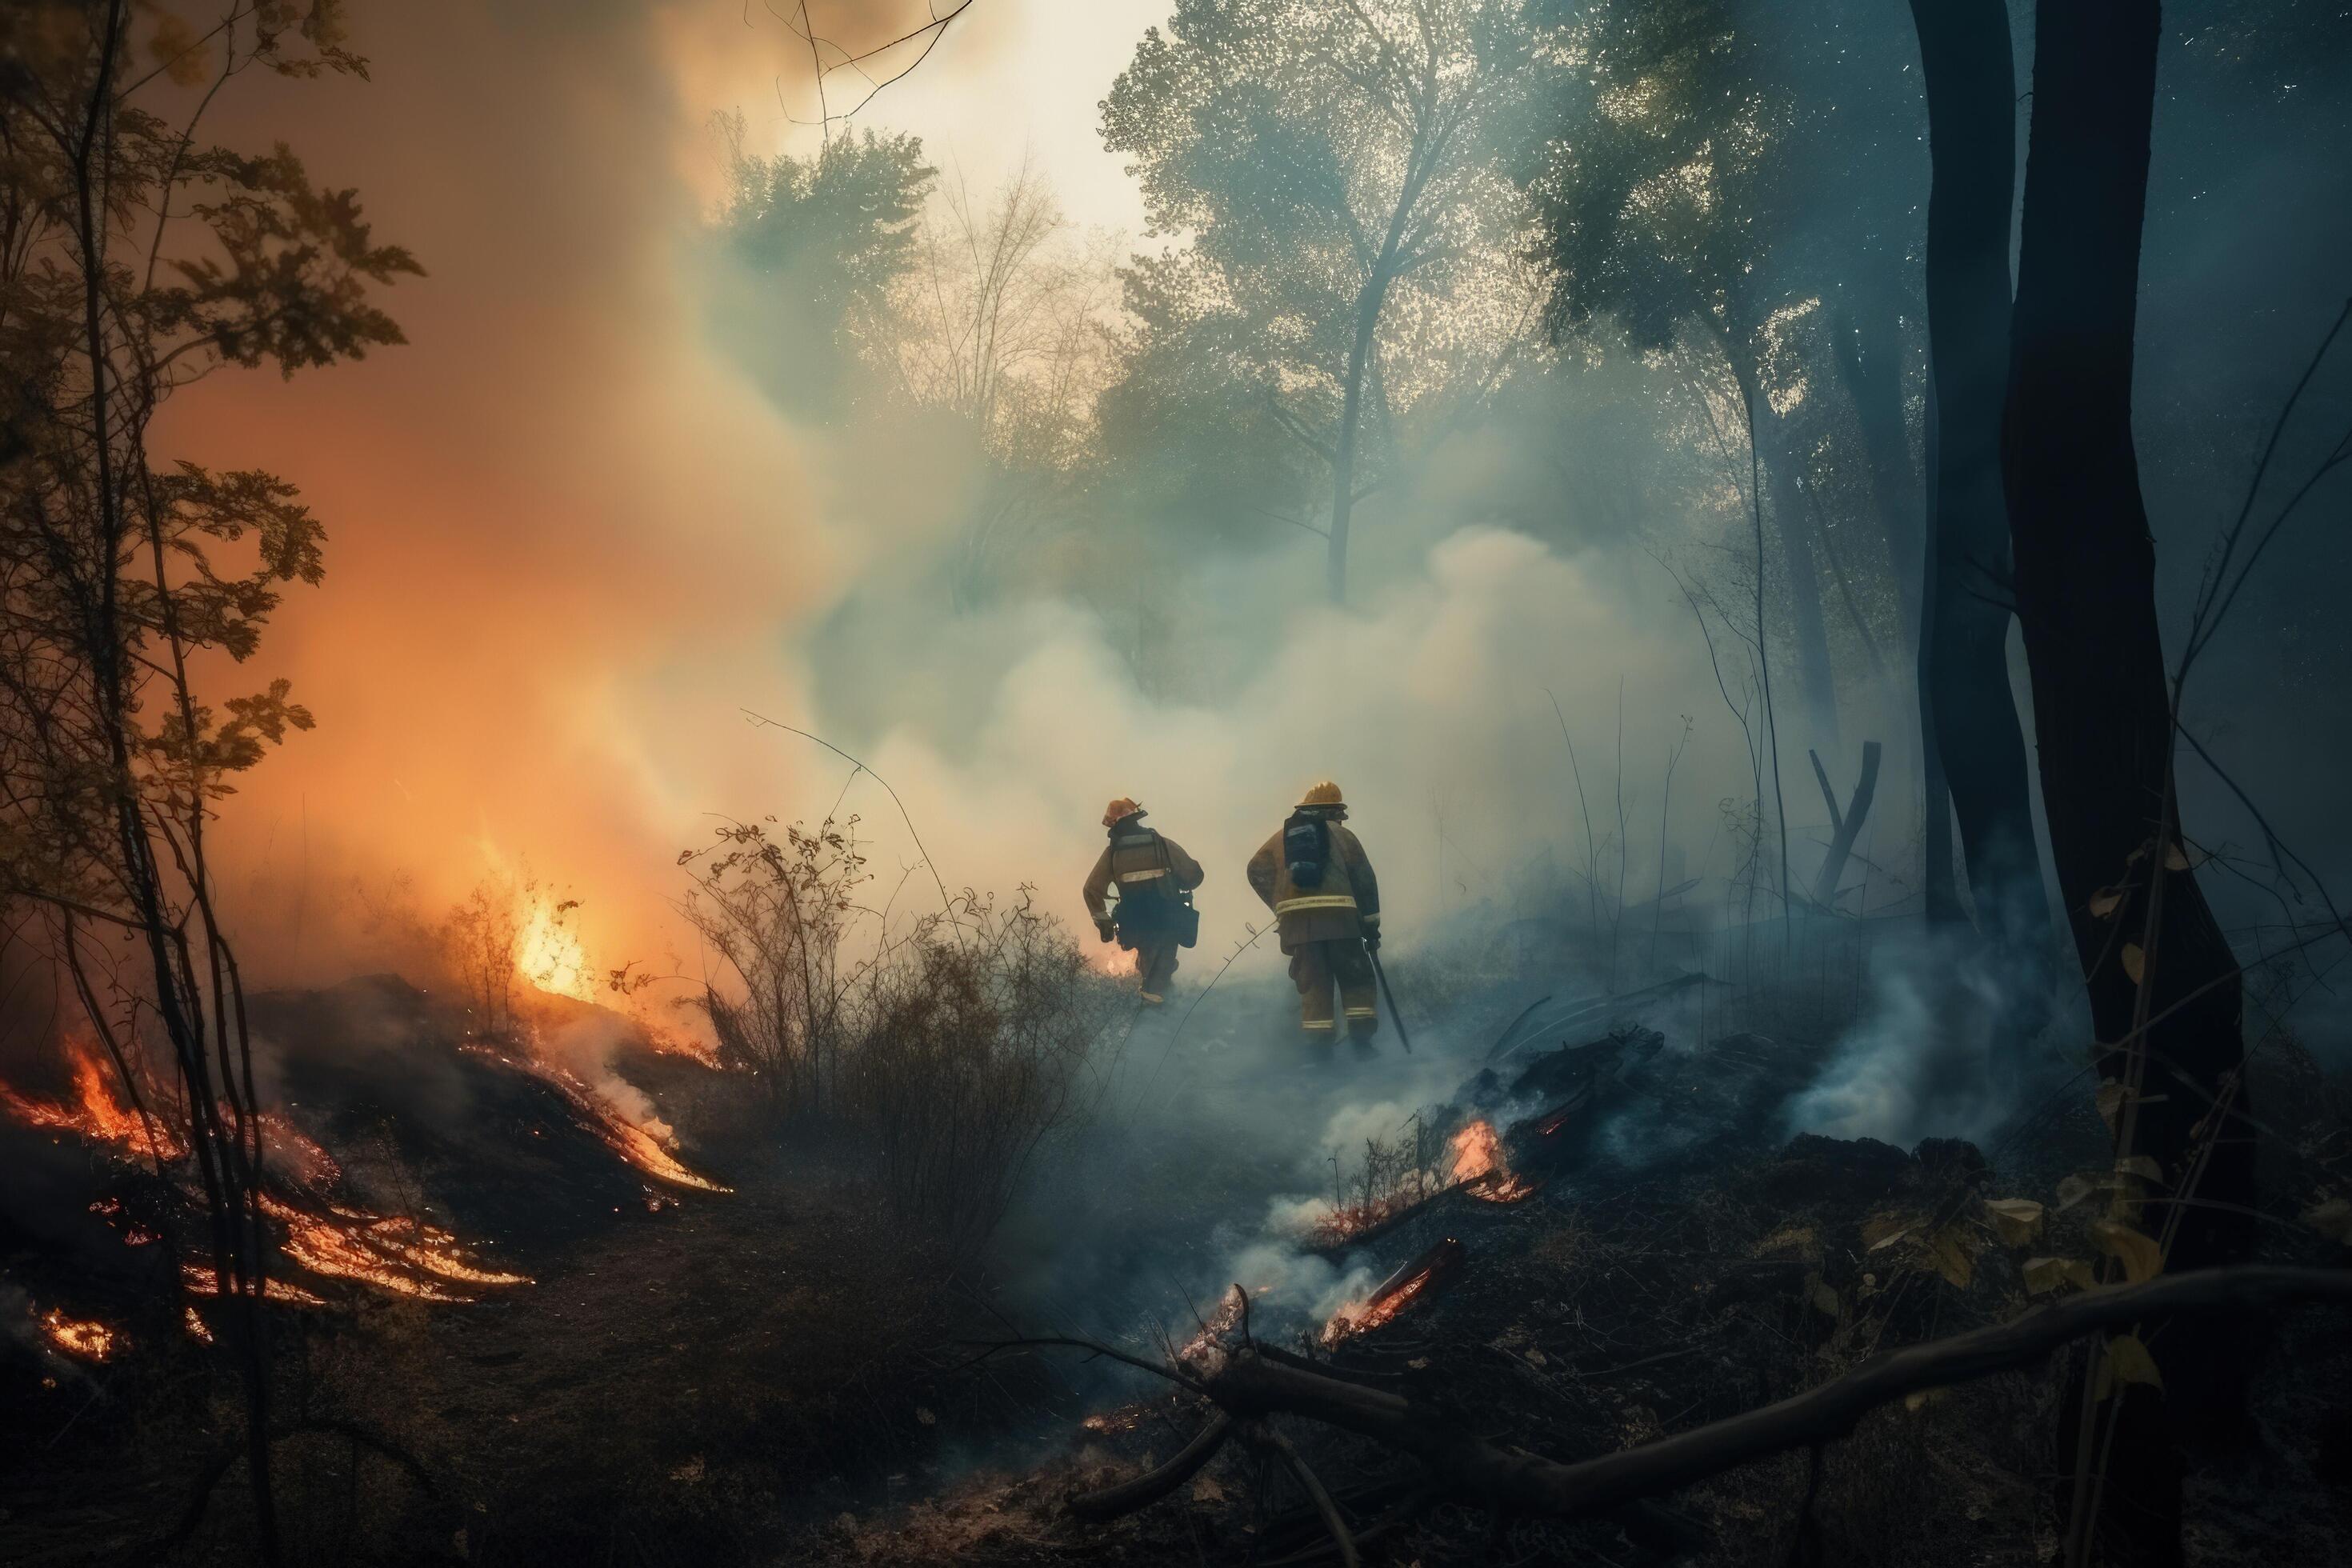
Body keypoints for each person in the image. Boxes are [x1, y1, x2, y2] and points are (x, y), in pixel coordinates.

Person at [1246, 780, 1382, 1046]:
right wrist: (1371, 927)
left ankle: (1320, 1054)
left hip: (1299, 926)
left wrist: (1280, 903)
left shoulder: (1281, 838)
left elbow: (1255, 869)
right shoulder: (1344, 836)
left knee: (1314, 985)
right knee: (1356, 978)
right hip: (1342, 922)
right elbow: (1365, 880)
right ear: (1333, 812)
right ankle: (1363, 1047)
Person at [1081, 798, 1204, 1005]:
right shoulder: (1162, 844)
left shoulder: (1113, 853)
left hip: (1136, 923)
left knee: (1149, 965)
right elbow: (1193, 875)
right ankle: (1157, 1014)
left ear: (1113, 824)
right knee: (1161, 969)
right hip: (1168, 919)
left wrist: (1104, 923)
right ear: (1137, 818)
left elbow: (1091, 889)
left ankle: (1155, 1003)